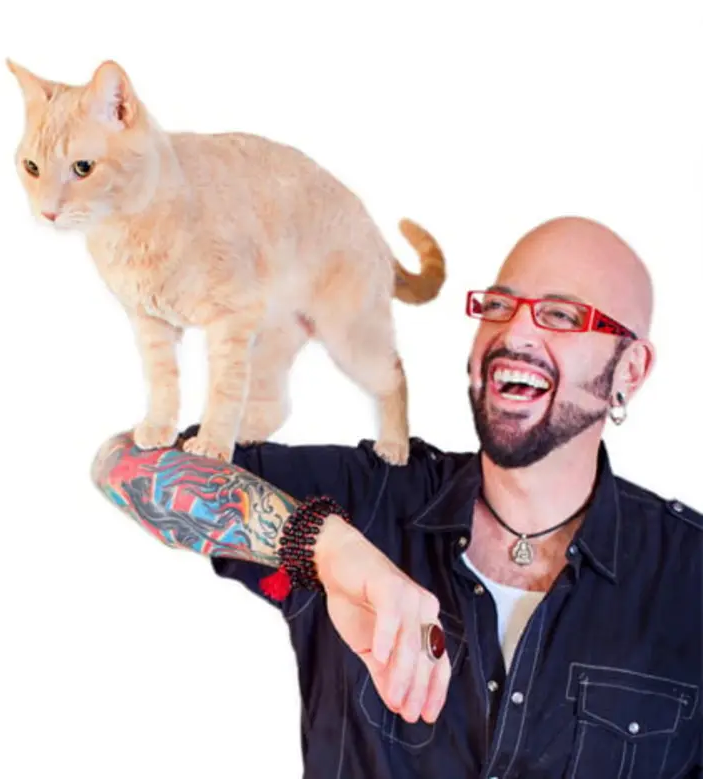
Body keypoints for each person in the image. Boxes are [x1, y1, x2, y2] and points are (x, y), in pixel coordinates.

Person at [90, 216, 702, 778]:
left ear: (630, 371)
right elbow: (127, 464)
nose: (514, 332)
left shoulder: (690, 578)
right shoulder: (372, 495)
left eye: (563, 316)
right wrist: (322, 547)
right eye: (500, 305)